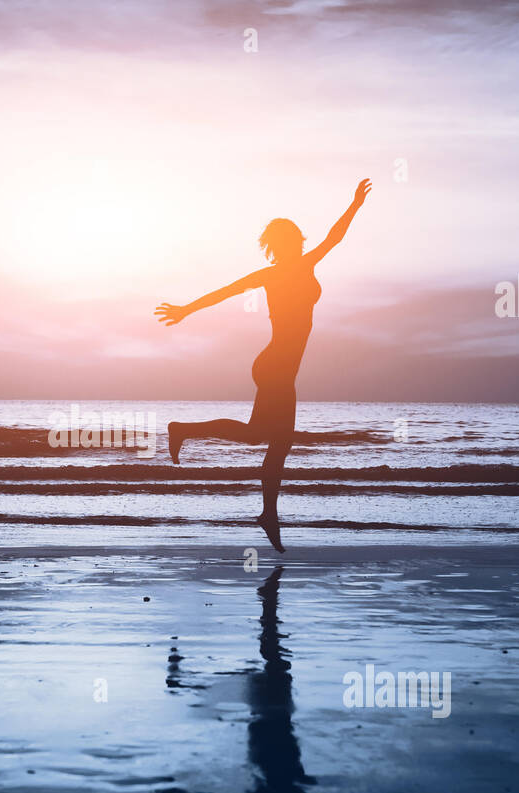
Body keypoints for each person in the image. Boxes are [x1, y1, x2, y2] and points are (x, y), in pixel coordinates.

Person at [155, 178, 372, 552]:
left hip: (278, 366)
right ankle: (265, 511)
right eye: (291, 240)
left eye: (296, 240)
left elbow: (333, 238)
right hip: (275, 366)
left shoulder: (293, 268)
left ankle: (189, 435)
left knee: (264, 437)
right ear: (283, 244)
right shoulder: (288, 269)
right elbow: (226, 291)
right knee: (277, 440)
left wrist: (354, 205)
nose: (297, 244)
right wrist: (186, 310)